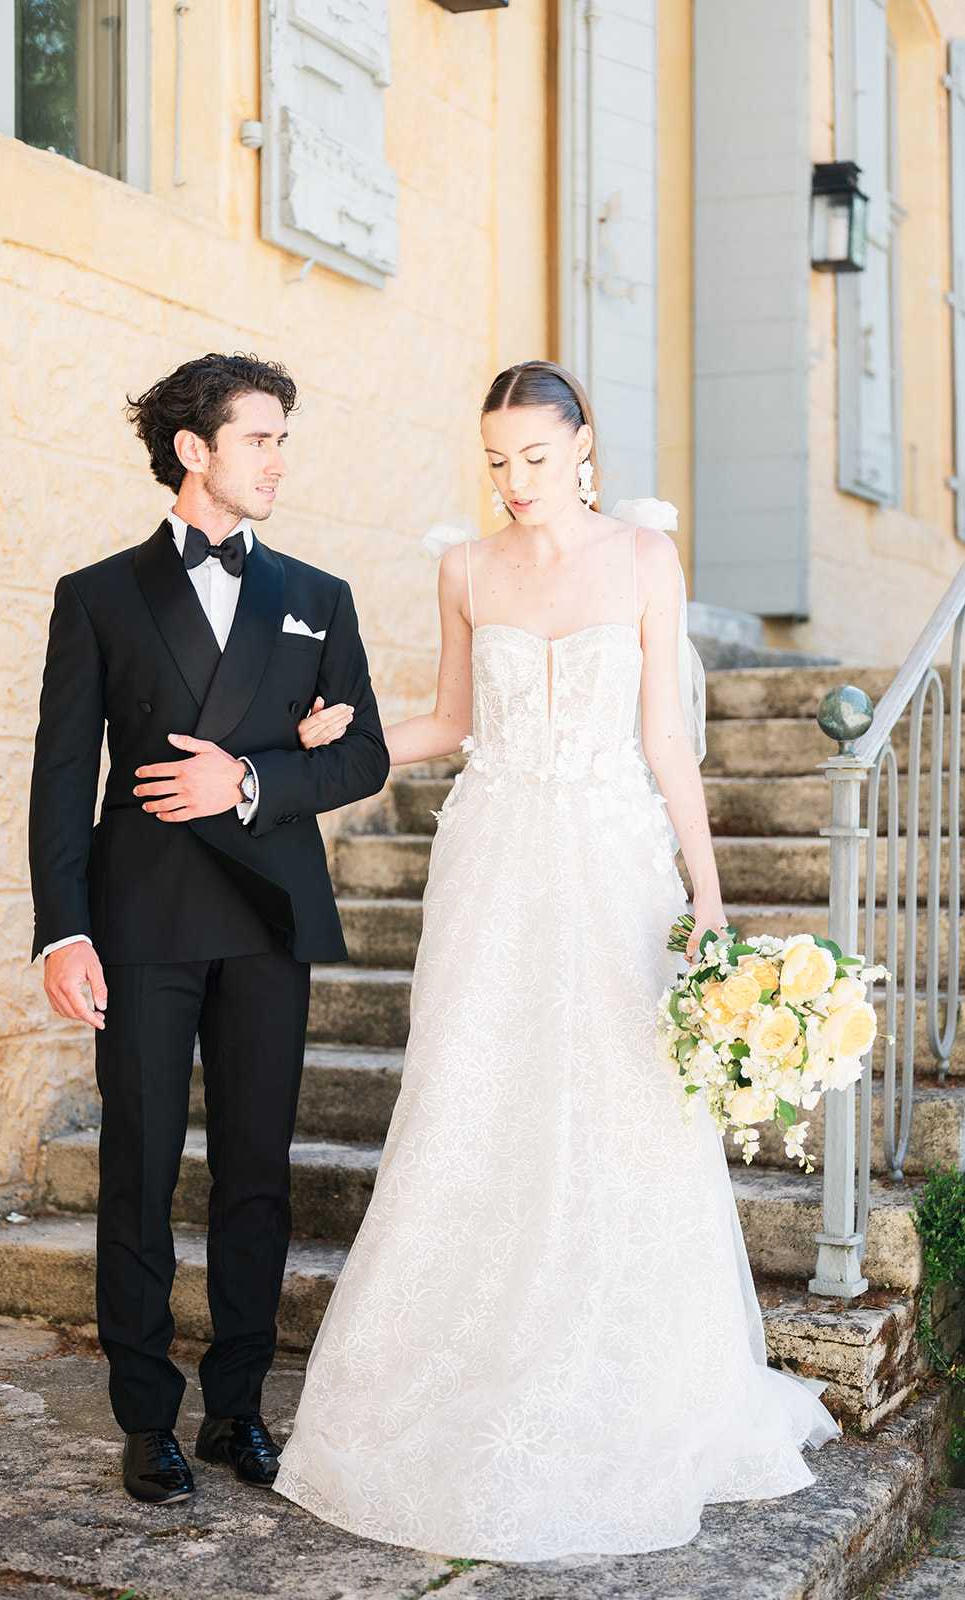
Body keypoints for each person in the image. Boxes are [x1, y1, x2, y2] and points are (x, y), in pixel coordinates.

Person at [272, 359, 839, 1559]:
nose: (515, 481)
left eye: (534, 457)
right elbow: (450, 719)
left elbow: (666, 743)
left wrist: (710, 891)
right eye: (496, 461)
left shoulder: (642, 562)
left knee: (621, 1102)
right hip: (492, 864)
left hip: (610, 863)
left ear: (581, 448)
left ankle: (623, 1367)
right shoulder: (465, 567)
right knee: (477, 1097)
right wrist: (346, 732)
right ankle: (468, 1362)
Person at [28, 352, 389, 1505]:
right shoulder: (98, 594)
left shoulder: (317, 595)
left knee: (255, 1175)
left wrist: (252, 778)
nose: (279, 460)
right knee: (136, 1171)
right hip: (138, 921)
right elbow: (57, 780)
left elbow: (365, 753)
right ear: (194, 450)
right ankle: (148, 1417)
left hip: (267, 918)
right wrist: (61, 932)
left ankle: (237, 1407)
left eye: (284, 438)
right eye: (260, 438)